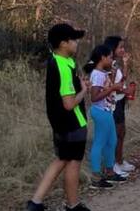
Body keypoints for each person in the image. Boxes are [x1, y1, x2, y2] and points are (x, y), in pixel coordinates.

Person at [26, 23, 92, 211]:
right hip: (73, 124)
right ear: (63, 43)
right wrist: (84, 91)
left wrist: (78, 86)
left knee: (61, 159)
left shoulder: (57, 60)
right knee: (73, 163)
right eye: (73, 39)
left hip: (60, 123)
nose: (76, 43)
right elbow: (69, 104)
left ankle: (35, 202)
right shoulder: (63, 66)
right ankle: (73, 205)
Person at [84, 44, 128, 188]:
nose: (111, 60)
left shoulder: (103, 73)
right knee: (99, 142)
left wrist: (113, 81)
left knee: (112, 141)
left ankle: (109, 172)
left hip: (107, 111)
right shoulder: (96, 74)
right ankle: (96, 177)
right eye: (109, 57)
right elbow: (94, 97)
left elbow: (107, 87)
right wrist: (112, 88)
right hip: (100, 111)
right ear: (102, 58)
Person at [103, 36, 135, 177]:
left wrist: (126, 64)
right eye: (120, 47)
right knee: (115, 134)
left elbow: (122, 81)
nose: (123, 50)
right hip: (113, 103)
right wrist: (125, 91)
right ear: (112, 48)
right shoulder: (109, 65)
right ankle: (112, 165)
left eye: (123, 47)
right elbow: (110, 87)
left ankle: (120, 160)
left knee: (121, 132)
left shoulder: (116, 63)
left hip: (120, 101)